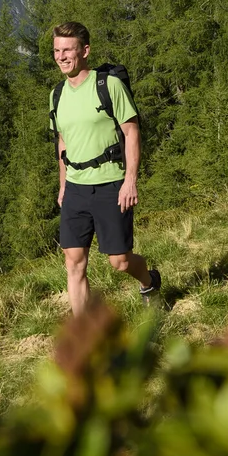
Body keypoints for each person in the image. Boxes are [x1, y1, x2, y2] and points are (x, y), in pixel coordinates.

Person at [48, 21, 160, 313]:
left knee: (119, 262)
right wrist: (63, 187)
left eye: (67, 50)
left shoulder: (108, 85)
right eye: (57, 50)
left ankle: (148, 280)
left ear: (85, 51)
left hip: (111, 184)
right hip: (75, 188)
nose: (61, 57)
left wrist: (130, 181)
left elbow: (132, 131)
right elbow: (63, 143)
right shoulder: (56, 94)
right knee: (73, 262)